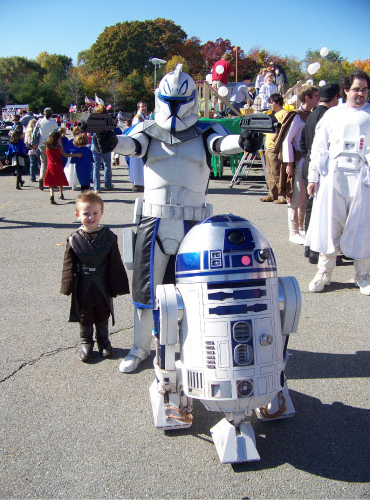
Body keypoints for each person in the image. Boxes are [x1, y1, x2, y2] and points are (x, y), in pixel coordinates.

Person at [93, 63, 263, 373]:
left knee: (197, 291)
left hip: (193, 223)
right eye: (168, 101)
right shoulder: (146, 129)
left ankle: (192, 345)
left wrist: (244, 141)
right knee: (146, 291)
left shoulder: (204, 130)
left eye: (179, 102)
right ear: (160, 99)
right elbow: (131, 145)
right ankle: (140, 346)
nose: (173, 109)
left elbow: (220, 145)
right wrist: (110, 141)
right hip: (153, 219)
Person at [306, 70, 370, 295]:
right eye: (356, 89)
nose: (360, 93)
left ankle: (362, 274)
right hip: (333, 174)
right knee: (329, 225)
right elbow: (319, 147)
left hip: (362, 178)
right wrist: (313, 176)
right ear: (346, 90)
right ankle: (324, 272)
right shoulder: (332, 115)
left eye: (364, 89)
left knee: (362, 226)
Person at [60, 191, 130, 362]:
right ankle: (86, 341)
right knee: (85, 313)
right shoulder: (73, 239)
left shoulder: (108, 237)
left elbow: (115, 262)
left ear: (101, 214)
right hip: (83, 283)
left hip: (102, 282)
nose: (90, 217)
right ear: (78, 215)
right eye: (86, 213)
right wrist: (67, 285)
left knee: (103, 311)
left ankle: (103, 340)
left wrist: (118, 285)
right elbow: (68, 264)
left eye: (95, 213)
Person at [300, 83, 340, 262]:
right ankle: (319, 249)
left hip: (308, 161)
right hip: (320, 164)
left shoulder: (311, 115)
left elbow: (302, 143)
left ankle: (310, 248)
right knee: (322, 210)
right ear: (336, 98)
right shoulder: (328, 116)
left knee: (311, 207)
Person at [281, 85, 319, 244]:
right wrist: (289, 162)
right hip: (298, 161)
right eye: (315, 96)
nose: (318, 98)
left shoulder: (314, 115)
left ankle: (302, 228)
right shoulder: (296, 117)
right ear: (307, 98)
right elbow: (287, 140)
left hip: (308, 161)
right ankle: (293, 231)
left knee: (305, 197)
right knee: (295, 197)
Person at [260, 93, 288, 203]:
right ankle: (272, 194)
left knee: (277, 172)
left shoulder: (283, 113)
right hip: (268, 146)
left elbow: (283, 128)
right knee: (269, 173)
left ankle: (284, 195)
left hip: (275, 147)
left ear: (277, 102)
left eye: (271, 102)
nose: (270, 105)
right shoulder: (274, 114)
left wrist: (276, 139)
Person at [44, 131, 82, 204]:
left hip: (50, 164)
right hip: (58, 164)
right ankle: (61, 193)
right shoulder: (58, 147)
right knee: (60, 179)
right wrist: (75, 155)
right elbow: (65, 155)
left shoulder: (47, 146)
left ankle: (51, 195)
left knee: (51, 181)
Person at [32, 108, 58, 191]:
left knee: (43, 163)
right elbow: (56, 134)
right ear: (51, 114)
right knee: (52, 162)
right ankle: (52, 181)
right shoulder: (53, 122)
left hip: (41, 144)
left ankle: (41, 179)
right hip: (51, 144)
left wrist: (34, 143)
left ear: (44, 113)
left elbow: (35, 133)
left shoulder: (39, 121)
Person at [91, 104, 114, 192]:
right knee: (107, 164)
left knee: (96, 166)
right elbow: (112, 131)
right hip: (105, 144)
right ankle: (107, 184)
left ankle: (96, 187)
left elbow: (89, 133)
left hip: (95, 144)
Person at [129, 100, 148, 192]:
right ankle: (138, 184)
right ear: (138, 108)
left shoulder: (143, 117)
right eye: (142, 106)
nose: (144, 108)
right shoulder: (137, 118)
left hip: (142, 143)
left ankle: (140, 183)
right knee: (137, 165)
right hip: (138, 143)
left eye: (145, 106)